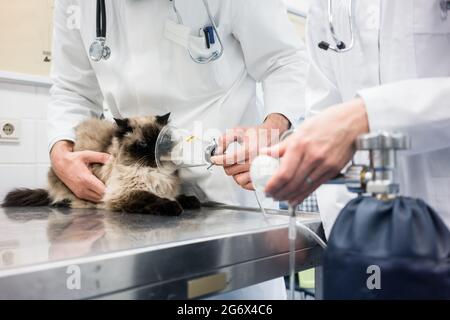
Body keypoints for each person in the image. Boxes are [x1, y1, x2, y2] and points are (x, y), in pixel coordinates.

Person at [48, 0, 307, 299]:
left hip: (227, 190)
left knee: (235, 293)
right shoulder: (76, 5)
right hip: (134, 202)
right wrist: (61, 152)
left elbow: (284, 61)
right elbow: (72, 89)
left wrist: (269, 130)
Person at [263, 0, 450, 237]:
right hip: (359, 233)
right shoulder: (326, 6)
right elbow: (324, 105)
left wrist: (367, 115)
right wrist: (345, 230)